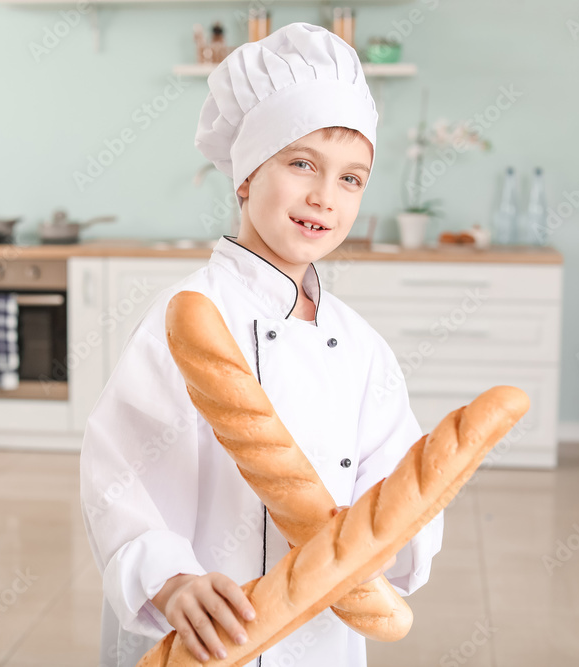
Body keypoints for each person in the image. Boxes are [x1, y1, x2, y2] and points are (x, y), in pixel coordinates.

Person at [80, 22, 444, 667]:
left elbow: (398, 480)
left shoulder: (361, 346)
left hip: (325, 638)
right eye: (301, 163)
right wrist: (172, 583)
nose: (322, 198)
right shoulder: (189, 319)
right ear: (246, 175)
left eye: (351, 179)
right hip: (205, 627)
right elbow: (121, 472)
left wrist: (388, 541)